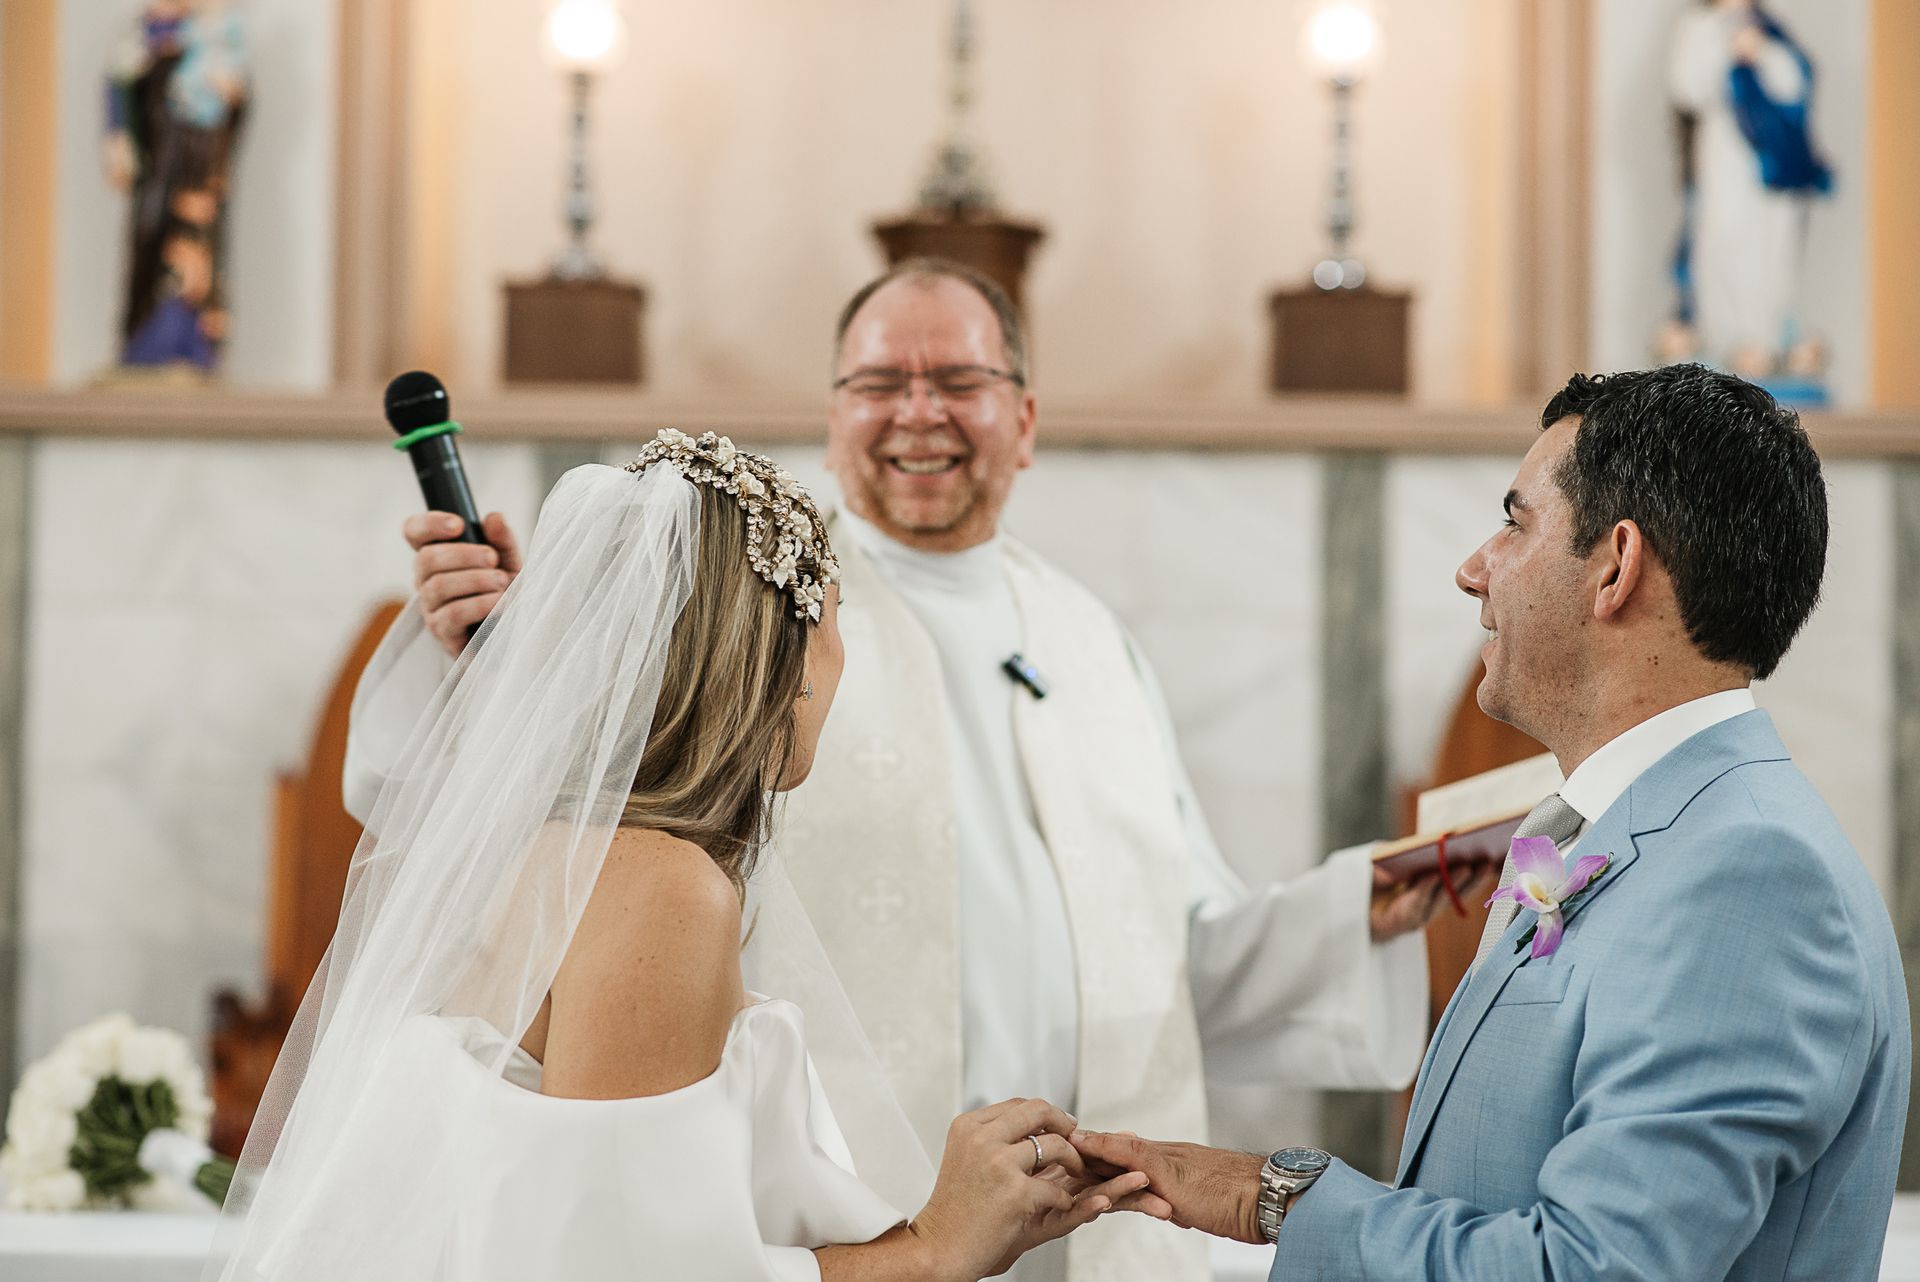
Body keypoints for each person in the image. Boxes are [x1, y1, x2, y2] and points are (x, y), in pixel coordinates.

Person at [344, 260, 1478, 1282]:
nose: (919, 411)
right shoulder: (754, 609)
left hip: (1098, 1228)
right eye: (882, 382)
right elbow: (524, 845)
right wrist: (494, 662)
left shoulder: (1096, 643)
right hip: (847, 1224)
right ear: (834, 418)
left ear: (1024, 419)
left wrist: (1344, 915)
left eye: (958, 379)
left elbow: (1164, 958)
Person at [210, 431, 1150, 1281]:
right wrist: (937, 1245)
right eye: (832, 623)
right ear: (772, 660)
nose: (840, 666)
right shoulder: (660, 886)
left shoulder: (542, 857)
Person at [1069, 364, 1911, 1281]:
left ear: (1616, 567)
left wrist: (1276, 1194)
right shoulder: (1620, 828)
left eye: (1515, 523)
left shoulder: (1749, 876)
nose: (1473, 567)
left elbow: (1592, 1271)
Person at [1664, 0, 1832, 381]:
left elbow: (1795, 82)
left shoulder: (1771, 27)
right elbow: (1687, 87)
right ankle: (1728, 341)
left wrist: (1762, 53)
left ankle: (1763, 342)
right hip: (1725, 163)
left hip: (1769, 172)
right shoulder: (1701, 27)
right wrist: (1728, 51)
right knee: (1721, 247)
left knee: (1771, 255)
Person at [103, 0, 249, 374]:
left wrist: (228, 95)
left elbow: (234, 99)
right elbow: (119, 93)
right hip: (158, 165)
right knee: (150, 241)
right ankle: (144, 344)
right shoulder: (138, 37)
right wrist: (118, 138)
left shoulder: (210, 35)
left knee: (193, 250)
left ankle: (190, 344)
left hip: (197, 163)